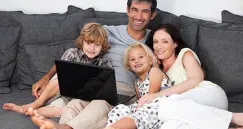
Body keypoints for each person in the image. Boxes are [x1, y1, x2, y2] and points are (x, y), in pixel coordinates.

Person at [28, 0, 158, 129]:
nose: (139, 16)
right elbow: (74, 56)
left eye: (145, 11)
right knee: (73, 106)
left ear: (152, 15)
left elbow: (163, 67)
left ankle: (65, 127)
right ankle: (60, 126)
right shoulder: (107, 32)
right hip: (93, 85)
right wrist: (47, 77)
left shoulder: (155, 40)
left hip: (123, 90)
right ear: (128, 10)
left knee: (100, 105)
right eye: (135, 10)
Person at [3, 22, 112, 118]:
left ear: (102, 47)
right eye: (88, 43)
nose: (92, 48)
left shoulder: (104, 63)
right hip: (59, 90)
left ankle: (30, 111)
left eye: (97, 45)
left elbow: (103, 86)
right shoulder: (72, 53)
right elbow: (61, 72)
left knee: (58, 111)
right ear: (82, 41)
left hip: (76, 98)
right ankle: (36, 104)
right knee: (60, 79)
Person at [144, 23, 243, 129]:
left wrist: (159, 94)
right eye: (155, 42)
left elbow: (196, 79)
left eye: (165, 41)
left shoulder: (184, 54)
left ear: (175, 43)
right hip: (193, 112)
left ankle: (234, 118)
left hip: (209, 95)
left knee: (165, 105)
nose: (158, 46)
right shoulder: (157, 72)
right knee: (169, 125)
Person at [105, 42, 171, 129]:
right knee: (120, 109)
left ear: (150, 60)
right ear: (129, 66)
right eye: (132, 59)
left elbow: (151, 95)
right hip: (145, 106)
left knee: (139, 114)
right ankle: (110, 126)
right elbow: (140, 100)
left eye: (141, 57)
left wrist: (137, 110)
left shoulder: (154, 71)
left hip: (159, 106)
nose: (137, 60)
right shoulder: (137, 83)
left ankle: (113, 128)